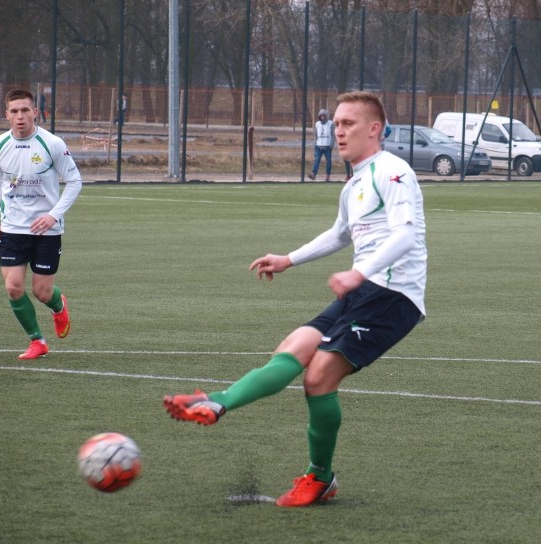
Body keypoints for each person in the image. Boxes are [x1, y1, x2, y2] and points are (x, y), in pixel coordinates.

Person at [164, 91, 427, 508]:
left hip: (394, 295)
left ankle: (320, 477)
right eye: (336, 124)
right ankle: (218, 402)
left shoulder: (393, 171)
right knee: (293, 346)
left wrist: (358, 272)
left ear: (374, 129)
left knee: (319, 376)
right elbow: (339, 234)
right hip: (363, 290)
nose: (338, 131)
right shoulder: (355, 182)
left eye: (348, 123)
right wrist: (289, 259)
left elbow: (405, 234)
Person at [0, 89, 81, 359]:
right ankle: (37, 341)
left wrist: (53, 215)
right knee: (13, 287)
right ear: (7, 115)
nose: (20, 116)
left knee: (42, 292)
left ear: (35, 112)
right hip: (12, 228)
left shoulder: (52, 143)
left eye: (25, 110)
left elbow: (74, 181)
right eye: (14, 111)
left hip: (46, 230)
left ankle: (58, 306)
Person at [309, 108, 335, 181]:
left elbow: (333, 135)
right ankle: (313, 174)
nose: (322, 117)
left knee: (328, 161)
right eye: (321, 116)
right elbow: (315, 135)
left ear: (326, 116)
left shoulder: (331, 123)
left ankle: (328, 176)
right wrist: (315, 143)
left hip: (327, 146)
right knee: (317, 160)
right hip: (319, 145)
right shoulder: (317, 124)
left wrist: (332, 144)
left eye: (324, 116)